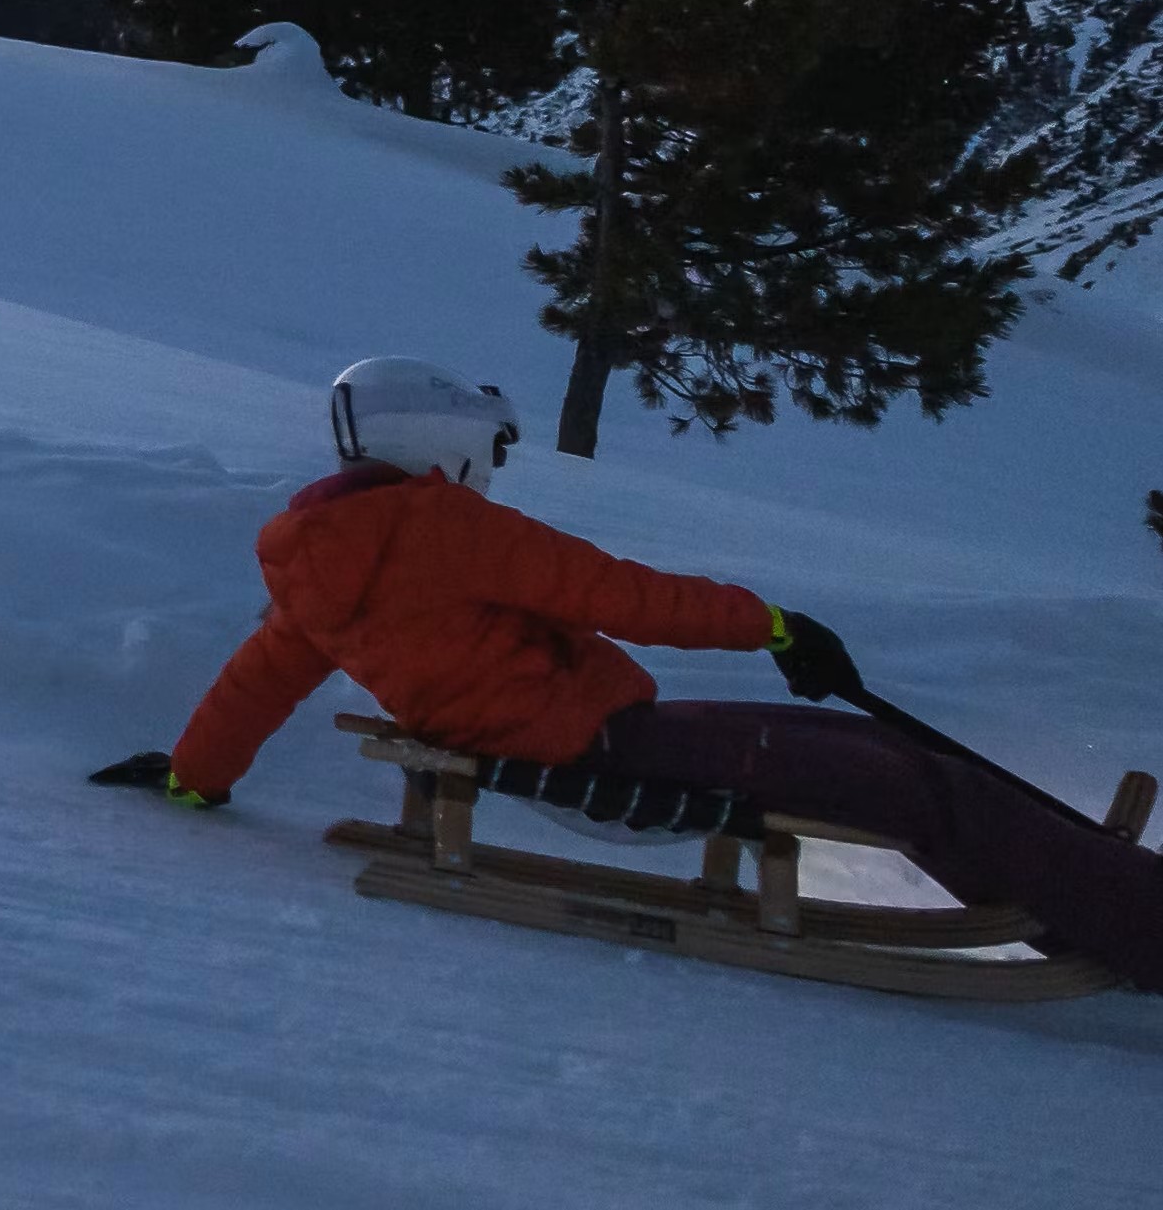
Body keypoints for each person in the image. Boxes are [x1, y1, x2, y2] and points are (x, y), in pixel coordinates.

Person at [91, 356, 1163, 988]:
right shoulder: (439, 526)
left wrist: (198, 774)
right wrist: (775, 624)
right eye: (488, 449)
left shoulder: (323, 560)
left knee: (885, 760)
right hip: (598, 747)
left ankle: (1092, 896)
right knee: (906, 780)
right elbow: (615, 592)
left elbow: (259, 677)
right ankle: (1126, 923)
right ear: (440, 442)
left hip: (563, 735)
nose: (492, 469)